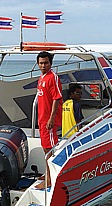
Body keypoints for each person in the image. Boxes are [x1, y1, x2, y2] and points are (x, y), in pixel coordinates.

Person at [36, 51, 62, 189]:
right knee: (45, 147)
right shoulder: (41, 78)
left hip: (48, 120)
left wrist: (52, 118)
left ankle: (51, 178)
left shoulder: (53, 78)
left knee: (50, 149)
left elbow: (57, 97)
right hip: (41, 119)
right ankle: (47, 172)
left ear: (50, 63)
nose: (43, 65)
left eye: (46, 63)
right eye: (41, 63)